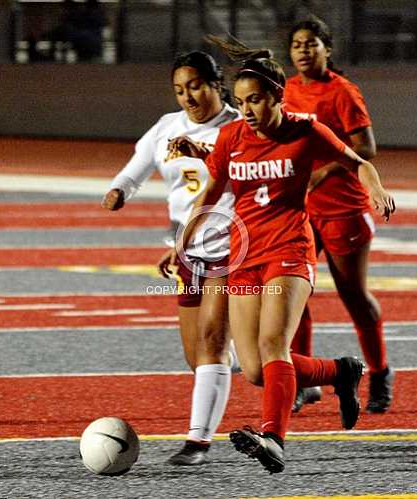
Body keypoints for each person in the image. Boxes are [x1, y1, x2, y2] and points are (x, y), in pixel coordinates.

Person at [169, 36, 395, 474]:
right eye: (241, 101)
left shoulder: (306, 130)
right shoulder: (231, 137)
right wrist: (182, 244)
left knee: (275, 344)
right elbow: (210, 198)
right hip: (245, 253)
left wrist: (376, 189)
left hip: (290, 249)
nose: (247, 110)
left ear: (277, 95)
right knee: (255, 369)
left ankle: (273, 438)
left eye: (255, 100)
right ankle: (339, 371)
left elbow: (359, 162)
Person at [102, 51, 241, 465]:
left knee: (212, 345)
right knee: (197, 356)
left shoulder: (238, 127)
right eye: (179, 90)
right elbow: (137, 166)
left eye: (196, 86)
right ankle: (319, 372)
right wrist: (119, 190)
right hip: (185, 248)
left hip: (232, 247)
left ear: (217, 84)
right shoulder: (167, 127)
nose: (188, 96)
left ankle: (197, 442)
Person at [284, 16, 394, 414]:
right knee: (293, 294)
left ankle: (380, 372)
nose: (303, 50)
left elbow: (367, 148)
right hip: (300, 211)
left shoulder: (343, 92)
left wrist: (326, 171)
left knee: (354, 298)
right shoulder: (286, 90)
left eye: (311, 44)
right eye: (297, 44)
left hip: (343, 207)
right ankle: (307, 380)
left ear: (327, 49)